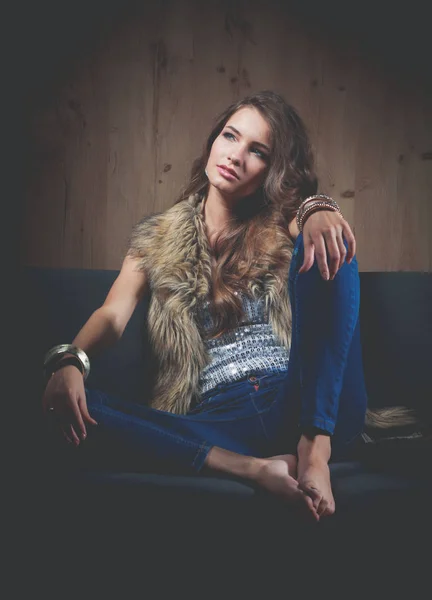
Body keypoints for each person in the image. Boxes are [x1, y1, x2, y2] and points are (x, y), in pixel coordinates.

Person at [42, 90, 368, 522]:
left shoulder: (284, 220)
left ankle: (314, 450)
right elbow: (111, 316)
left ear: (273, 170)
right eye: (230, 136)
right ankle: (254, 469)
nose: (236, 155)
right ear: (213, 140)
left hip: (305, 399)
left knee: (333, 243)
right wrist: (68, 361)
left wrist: (317, 208)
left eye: (257, 152)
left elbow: (310, 224)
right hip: (221, 423)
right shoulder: (156, 239)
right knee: (59, 407)